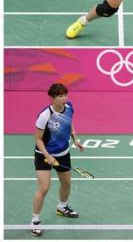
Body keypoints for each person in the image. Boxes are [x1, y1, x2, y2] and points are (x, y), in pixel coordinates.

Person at [31, 84, 85, 237]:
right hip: (43, 155)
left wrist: (75, 139)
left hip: (63, 153)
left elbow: (69, 122)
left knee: (66, 183)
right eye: (60, 96)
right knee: (44, 188)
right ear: (52, 98)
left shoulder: (69, 107)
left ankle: (62, 207)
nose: (64, 99)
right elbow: (38, 139)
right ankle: (34, 221)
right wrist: (48, 156)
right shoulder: (45, 115)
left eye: (65, 95)